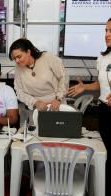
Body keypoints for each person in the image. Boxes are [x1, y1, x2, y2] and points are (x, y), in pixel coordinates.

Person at [68, 18, 111, 195]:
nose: (107, 35)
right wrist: (85, 86)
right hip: (105, 111)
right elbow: (102, 85)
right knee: (106, 155)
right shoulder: (102, 58)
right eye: (106, 31)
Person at [9, 38, 68, 124]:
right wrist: (36, 102)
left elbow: (64, 77)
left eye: (19, 56)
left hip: (56, 104)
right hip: (36, 108)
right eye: (14, 58)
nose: (17, 61)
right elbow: (19, 91)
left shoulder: (47, 58)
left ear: (28, 52)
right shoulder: (18, 67)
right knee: (36, 135)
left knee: (59, 133)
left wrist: (58, 99)